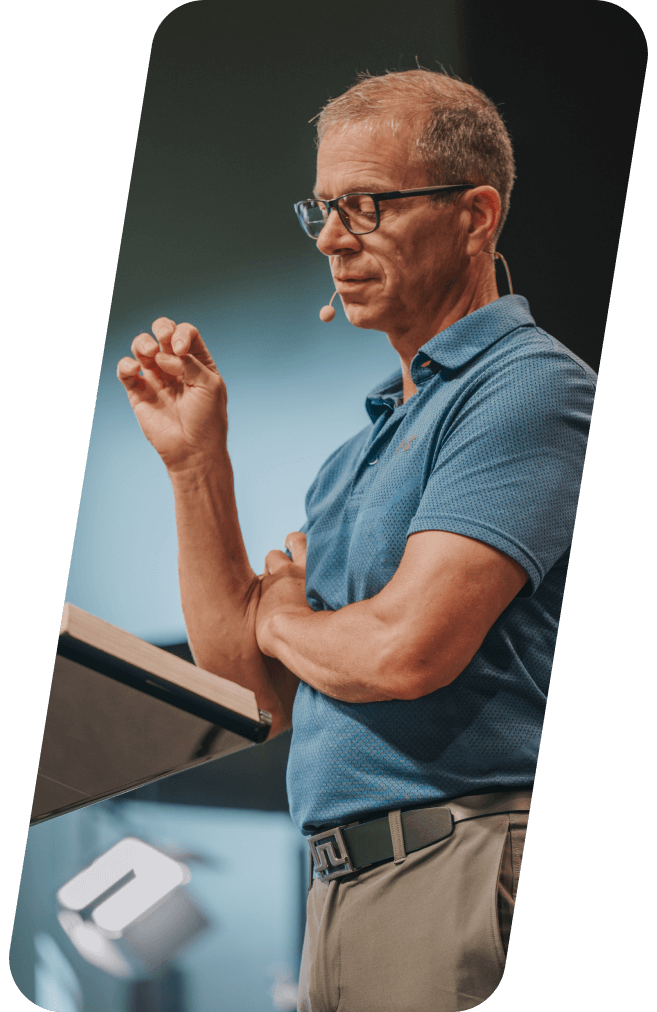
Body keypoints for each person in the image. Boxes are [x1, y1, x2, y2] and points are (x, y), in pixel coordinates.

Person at [118, 69, 596, 1012]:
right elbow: (251, 690)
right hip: (339, 889)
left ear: (475, 215)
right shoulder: (350, 458)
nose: (334, 237)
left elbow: (404, 650)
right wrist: (194, 461)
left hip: (458, 865)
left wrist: (285, 613)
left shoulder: (528, 390)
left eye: (368, 205)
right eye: (325, 207)